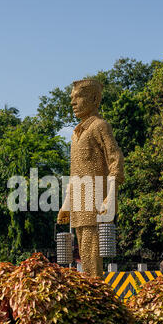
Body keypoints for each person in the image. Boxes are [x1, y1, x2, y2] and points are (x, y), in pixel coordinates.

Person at [57, 79, 124, 278]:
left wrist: (111, 197)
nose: (73, 103)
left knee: (92, 252)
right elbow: (74, 173)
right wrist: (66, 204)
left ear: (94, 99)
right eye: (72, 98)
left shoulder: (100, 126)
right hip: (79, 203)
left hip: (96, 202)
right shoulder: (76, 134)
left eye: (78, 97)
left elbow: (116, 158)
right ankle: (92, 292)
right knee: (83, 253)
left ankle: (99, 295)